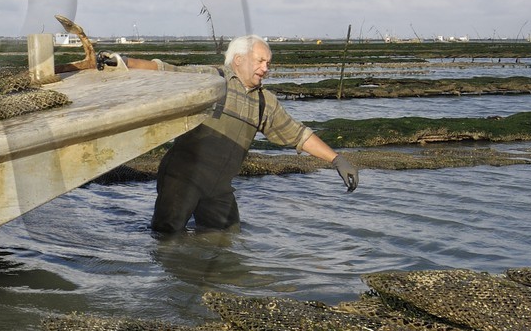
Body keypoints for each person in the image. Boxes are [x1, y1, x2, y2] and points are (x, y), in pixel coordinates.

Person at [70, 33, 359, 234]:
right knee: (166, 239)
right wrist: (123, 62)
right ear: (238, 61)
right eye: (260, 61)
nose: (265, 69)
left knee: (226, 240)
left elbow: (298, 134)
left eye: (268, 63)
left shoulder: (264, 102)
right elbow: (167, 71)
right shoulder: (212, 79)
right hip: (182, 178)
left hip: (219, 187)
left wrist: (336, 159)